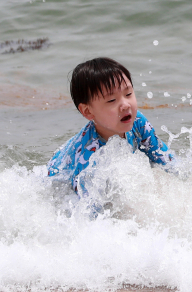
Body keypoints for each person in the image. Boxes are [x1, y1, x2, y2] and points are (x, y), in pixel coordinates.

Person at [47, 57, 173, 196]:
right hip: (59, 176)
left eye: (128, 94)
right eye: (112, 100)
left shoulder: (138, 122)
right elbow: (85, 212)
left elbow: (167, 160)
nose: (125, 105)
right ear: (88, 111)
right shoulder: (89, 157)